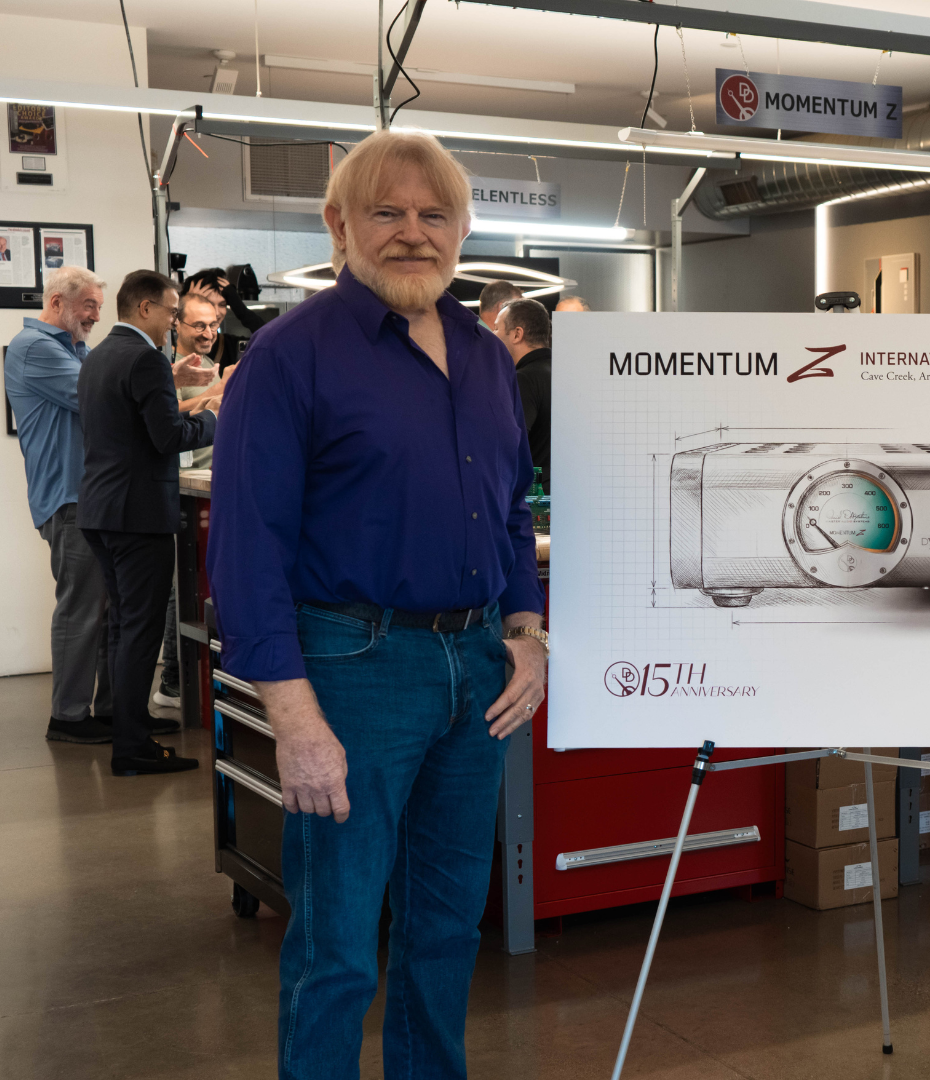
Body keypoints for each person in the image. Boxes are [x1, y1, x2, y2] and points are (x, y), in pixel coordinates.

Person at [207, 129, 546, 1080]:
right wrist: (294, 718)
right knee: (340, 944)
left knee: (446, 928)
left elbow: (509, 510)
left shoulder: (484, 355)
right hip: (353, 670)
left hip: (475, 669)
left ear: (462, 231)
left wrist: (525, 631)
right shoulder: (290, 356)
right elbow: (246, 548)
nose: (412, 232)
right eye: (386, 212)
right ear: (339, 224)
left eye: (435, 214)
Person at [77, 269, 219, 776]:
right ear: (145, 308)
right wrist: (215, 416)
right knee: (139, 630)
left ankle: (128, 726)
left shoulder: (98, 356)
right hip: (137, 515)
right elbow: (168, 437)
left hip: (101, 510)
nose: (173, 321)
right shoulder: (146, 358)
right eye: (171, 311)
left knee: (124, 627)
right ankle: (133, 749)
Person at [5, 266, 115, 744]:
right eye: (89, 305)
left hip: (90, 497)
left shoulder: (75, 349)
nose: (96, 316)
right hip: (69, 500)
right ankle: (68, 717)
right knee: (81, 611)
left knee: (104, 612)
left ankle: (109, 711)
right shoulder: (34, 347)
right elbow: (99, 397)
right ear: (56, 303)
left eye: (98, 306)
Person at [150, 292, 230, 715]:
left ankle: (199, 680)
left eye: (213, 325)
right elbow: (166, 417)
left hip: (211, 488)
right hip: (176, 489)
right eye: (199, 325)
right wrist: (218, 393)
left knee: (201, 585)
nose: (208, 332)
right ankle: (172, 680)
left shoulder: (213, 367)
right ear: (177, 325)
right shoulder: (164, 368)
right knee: (178, 590)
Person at [496, 297, 552, 490]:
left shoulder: (523, 380)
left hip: (536, 498)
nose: (493, 336)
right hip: (569, 493)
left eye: (496, 329)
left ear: (517, 334)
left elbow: (511, 446)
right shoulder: (565, 373)